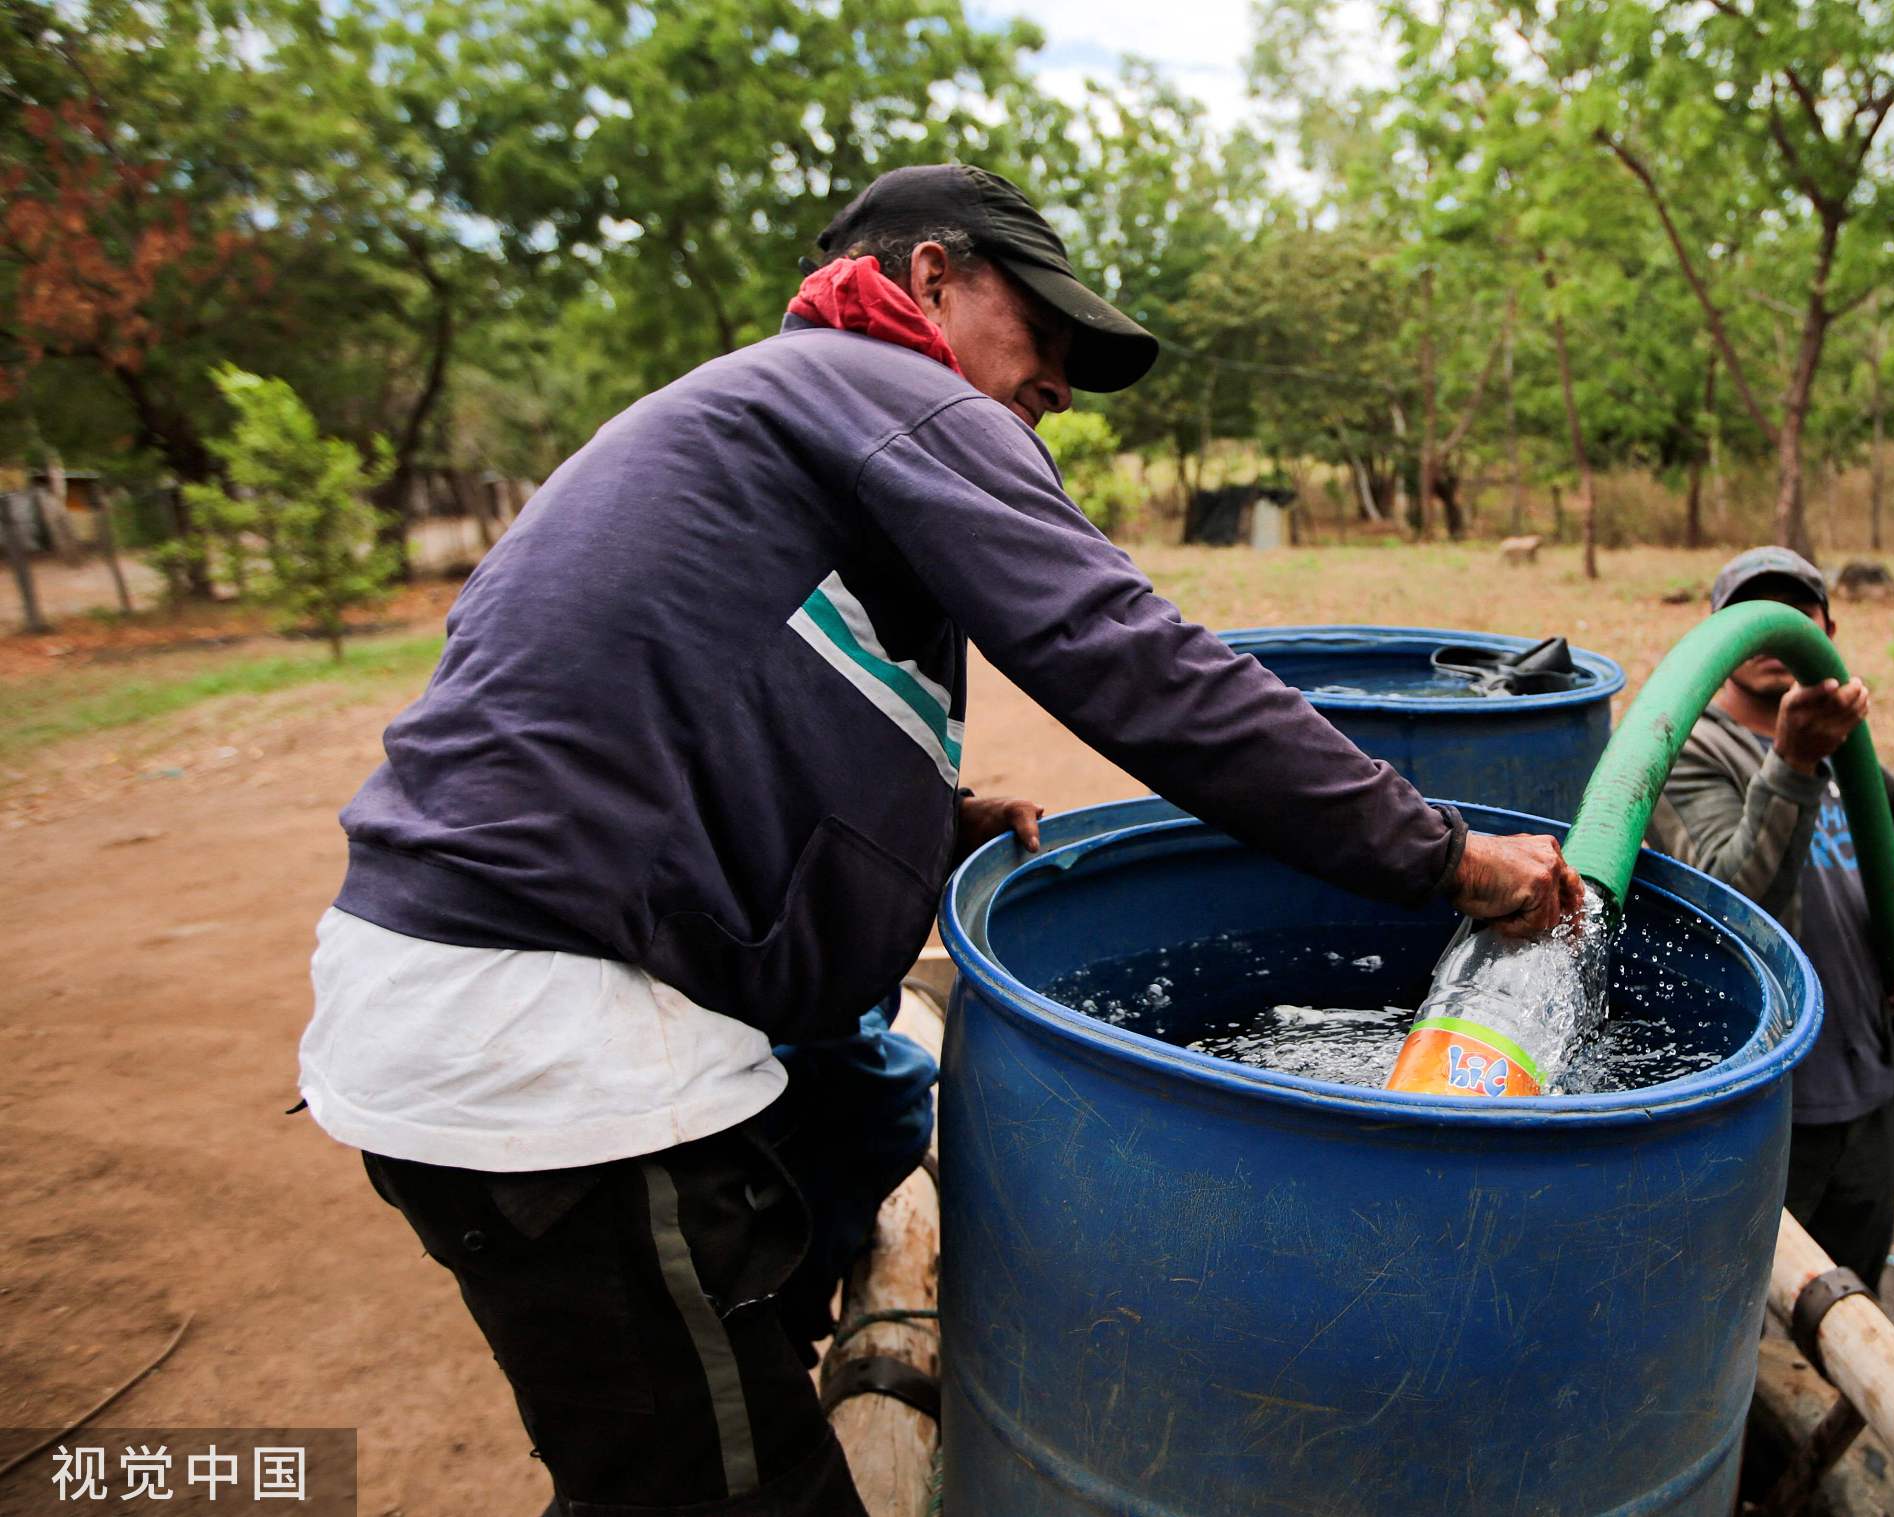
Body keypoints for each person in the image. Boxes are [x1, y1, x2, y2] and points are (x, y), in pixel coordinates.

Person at [296, 163, 1580, 1517]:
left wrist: (926, 817)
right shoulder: (890, 392)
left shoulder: (757, 421)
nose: (1064, 389)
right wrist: (1446, 856)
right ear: (927, 279)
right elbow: (1138, 663)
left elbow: (657, 698)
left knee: (685, 1404)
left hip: (464, 983)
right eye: (1045, 333)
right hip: (550, 1037)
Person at [1646, 547, 1894, 1291]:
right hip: (1778, 1106)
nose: (1780, 631)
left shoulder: (1849, 755)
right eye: (1757, 613)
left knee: (1858, 1313)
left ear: (1829, 626)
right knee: (1751, 1320)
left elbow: (1864, 871)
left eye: (1798, 611)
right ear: (1718, 637)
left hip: (1871, 1088)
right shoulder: (1686, 747)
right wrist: (1790, 760)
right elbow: (1732, 909)